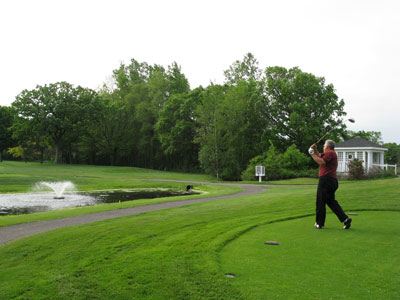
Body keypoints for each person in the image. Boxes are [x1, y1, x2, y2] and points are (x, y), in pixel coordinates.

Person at [309, 140, 352, 229]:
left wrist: (312, 154)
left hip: (326, 180)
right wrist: (315, 150)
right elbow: (320, 155)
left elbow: (321, 161)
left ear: (328, 147)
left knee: (320, 201)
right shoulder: (330, 154)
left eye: (324, 146)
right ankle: (345, 219)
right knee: (331, 202)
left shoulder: (330, 153)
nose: (323, 147)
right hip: (331, 181)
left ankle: (319, 223)